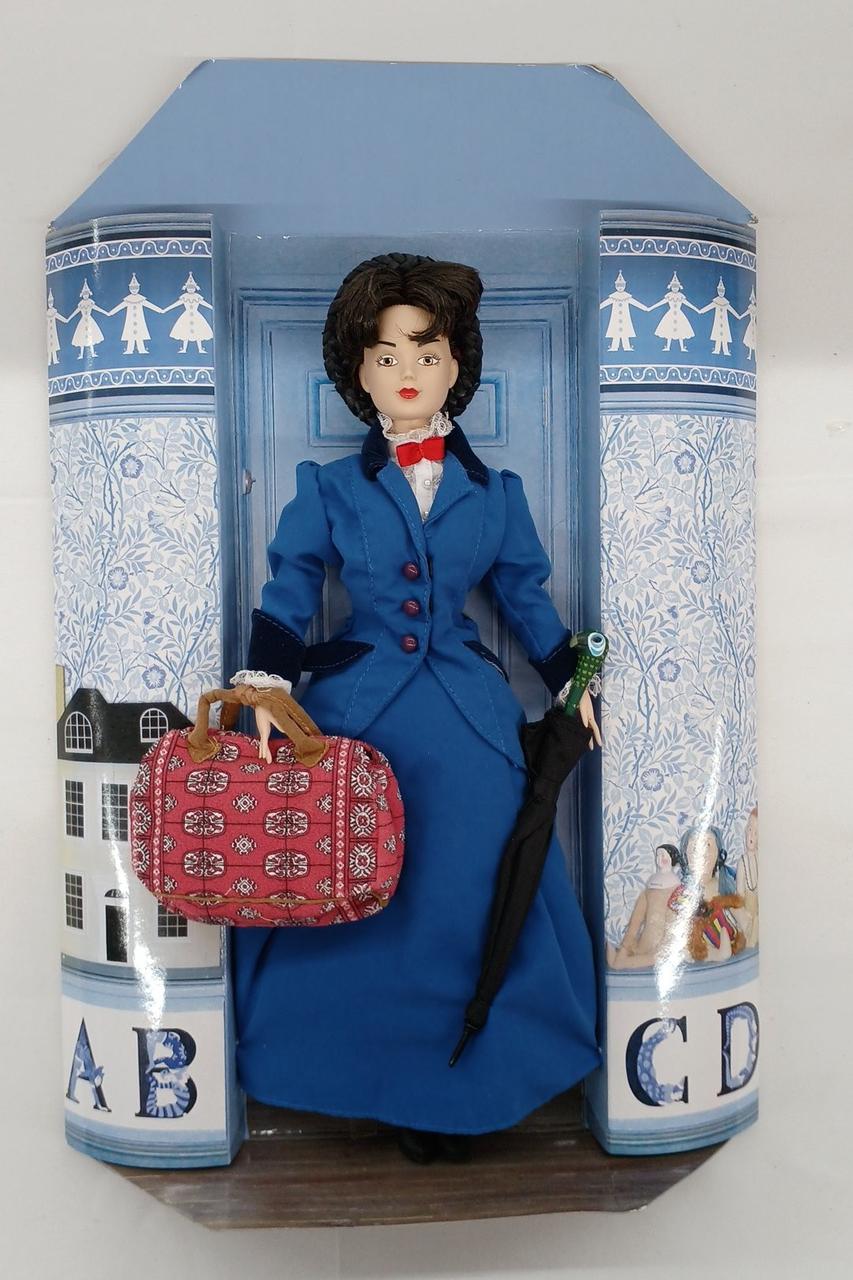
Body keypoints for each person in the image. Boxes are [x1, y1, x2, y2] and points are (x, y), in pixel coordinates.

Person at [229, 253, 602, 1164]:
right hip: (357, 718)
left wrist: (572, 681)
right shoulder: (327, 488)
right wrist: (266, 686)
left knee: (470, 889)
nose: (407, 372)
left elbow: (526, 599)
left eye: (427, 354)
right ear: (356, 371)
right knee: (345, 886)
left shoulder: (494, 494)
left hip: (468, 718)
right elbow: (288, 593)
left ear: (455, 366)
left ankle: (467, 1086)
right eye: (386, 354)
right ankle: (352, 1080)